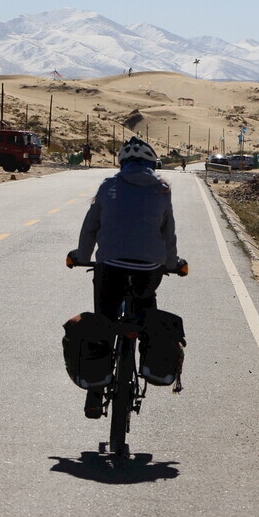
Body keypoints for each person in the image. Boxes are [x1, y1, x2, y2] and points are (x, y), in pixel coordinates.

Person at [68, 136, 185, 418]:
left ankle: (95, 393)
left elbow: (90, 228)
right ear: (151, 163)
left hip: (111, 266)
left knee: (103, 321)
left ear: (122, 163)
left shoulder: (109, 186)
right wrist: (172, 263)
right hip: (149, 269)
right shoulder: (162, 189)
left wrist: (82, 256)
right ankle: (149, 360)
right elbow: (167, 234)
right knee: (146, 311)